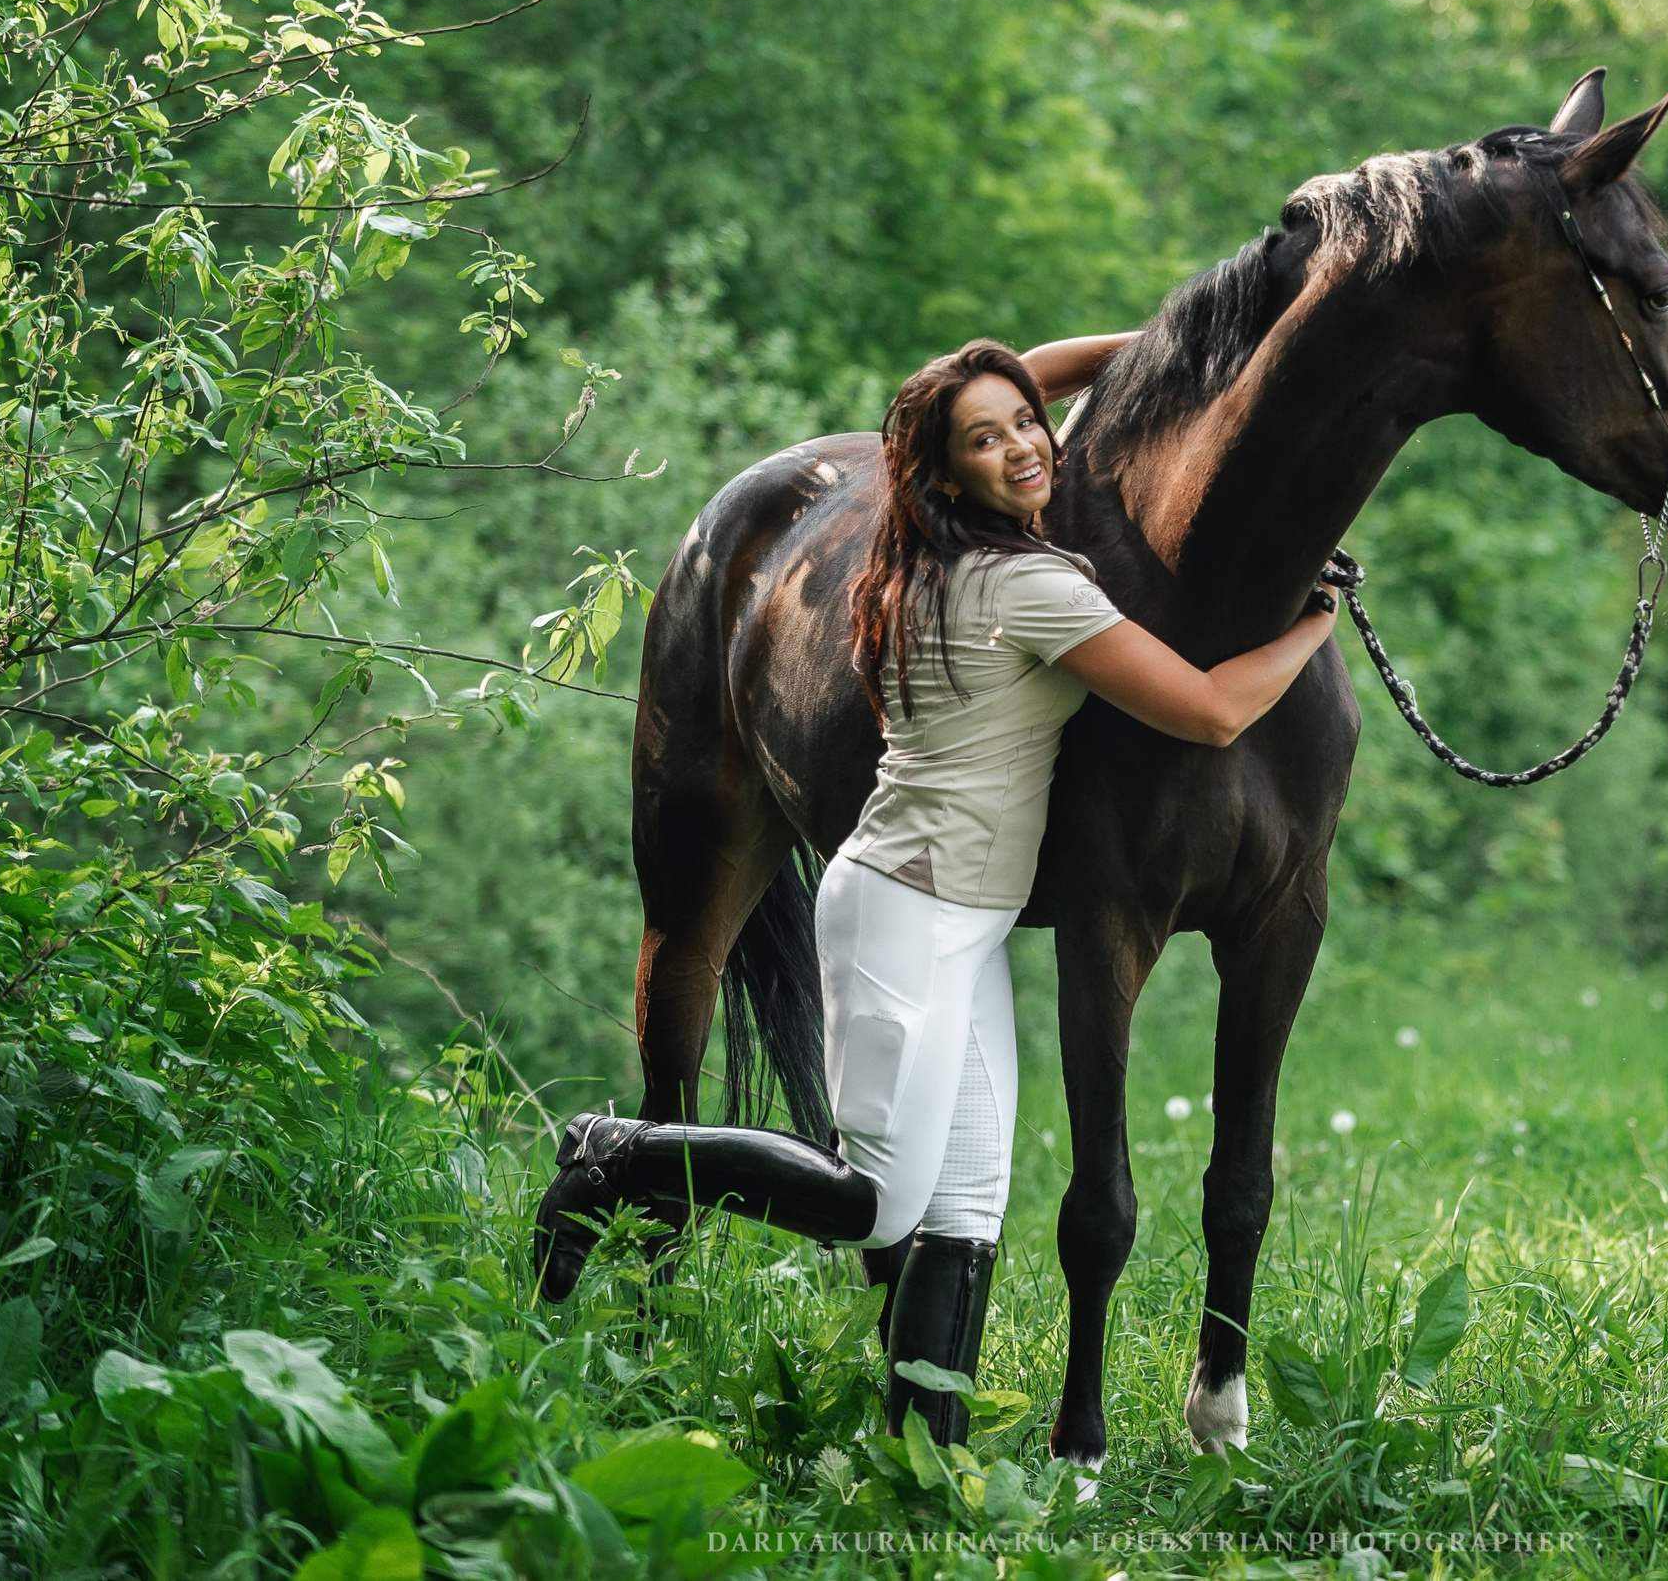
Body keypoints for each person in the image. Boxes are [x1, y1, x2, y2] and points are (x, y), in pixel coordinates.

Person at [530, 335, 1340, 1445]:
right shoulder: (1023, 586)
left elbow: (1007, 384)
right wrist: (1314, 623)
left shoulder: (936, 550)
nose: (1022, 447)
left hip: (966, 925)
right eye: (985, 440)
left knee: (964, 1212)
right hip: (900, 915)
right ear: (944, 472)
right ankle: (613, 1154)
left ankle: (929, 1464)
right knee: (876, 1203)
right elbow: (1209, 711)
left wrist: (1170, 344)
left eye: (1027, 422)